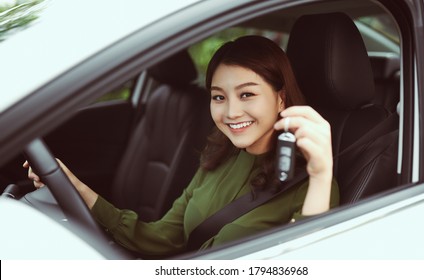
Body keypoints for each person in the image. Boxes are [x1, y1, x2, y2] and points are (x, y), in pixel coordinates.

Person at [24, 35, 339, 257]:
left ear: (281, 97)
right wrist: (77, 189)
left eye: (247, 95)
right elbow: (163, 238)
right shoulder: (219, 158)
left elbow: (306, 264)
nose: (230, 112)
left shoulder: (312, 185)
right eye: (219, 97)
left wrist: (322, 174)